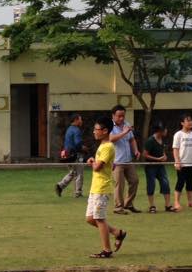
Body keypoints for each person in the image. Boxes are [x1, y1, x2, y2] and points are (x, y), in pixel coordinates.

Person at [86, 115, 127, 258]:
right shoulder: (102, 146)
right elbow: (109, 165)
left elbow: (97, 167)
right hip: (95, 187)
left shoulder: (108, 147)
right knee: (90, 218)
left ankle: (107, 250)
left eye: (96, 129)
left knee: (99, 219)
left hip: (102, 188)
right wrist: (94, 161)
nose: (94, 132)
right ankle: (117, 232)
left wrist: (92, 162)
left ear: (104, 131)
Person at [109, 104, 140, 214]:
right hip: (117, 162)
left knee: (134, 181)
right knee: (119, 185)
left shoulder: (126, 124)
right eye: (119, 116)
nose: (121, 118)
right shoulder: (110, 126)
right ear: (113, 116)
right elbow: (111, 139)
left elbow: (132, 139)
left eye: (123, 116)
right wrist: (124, 132)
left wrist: (136, 150)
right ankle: (118, 208)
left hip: (128, 160)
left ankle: (128, 204)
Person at [172, 113, 192, 212]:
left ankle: (190, 202)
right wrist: (177, 161)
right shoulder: (178, 134)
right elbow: (175, 149)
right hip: (182, 164)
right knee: (180, 183)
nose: (190, 122)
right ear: (182, 123)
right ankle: (176, 202)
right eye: (188, 120)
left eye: (191, 120)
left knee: (190, 184)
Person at [143, 121, 172, 213]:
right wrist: (157, 159)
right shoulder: (150, 141)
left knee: (165, 183)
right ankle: (152, 206)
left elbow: (162, 150)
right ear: (160, 131)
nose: (166, 131)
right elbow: (145, 155)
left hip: (160, 166)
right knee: (151, 184)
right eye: (164, 129)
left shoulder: (162, 139)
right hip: (151, 167)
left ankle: (168, 205)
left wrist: (164, 156)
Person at [55, 114, 86, 198]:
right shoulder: (76, 130)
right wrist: (83, 148)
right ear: (76, 120)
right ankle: (78, 193)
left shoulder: (69, 129)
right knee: (79, 173)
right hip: (76, 155)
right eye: (80, 119)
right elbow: (78, 144)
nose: (81, 121)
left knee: (72, 173)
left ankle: (60, 185)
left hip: (68, 155)